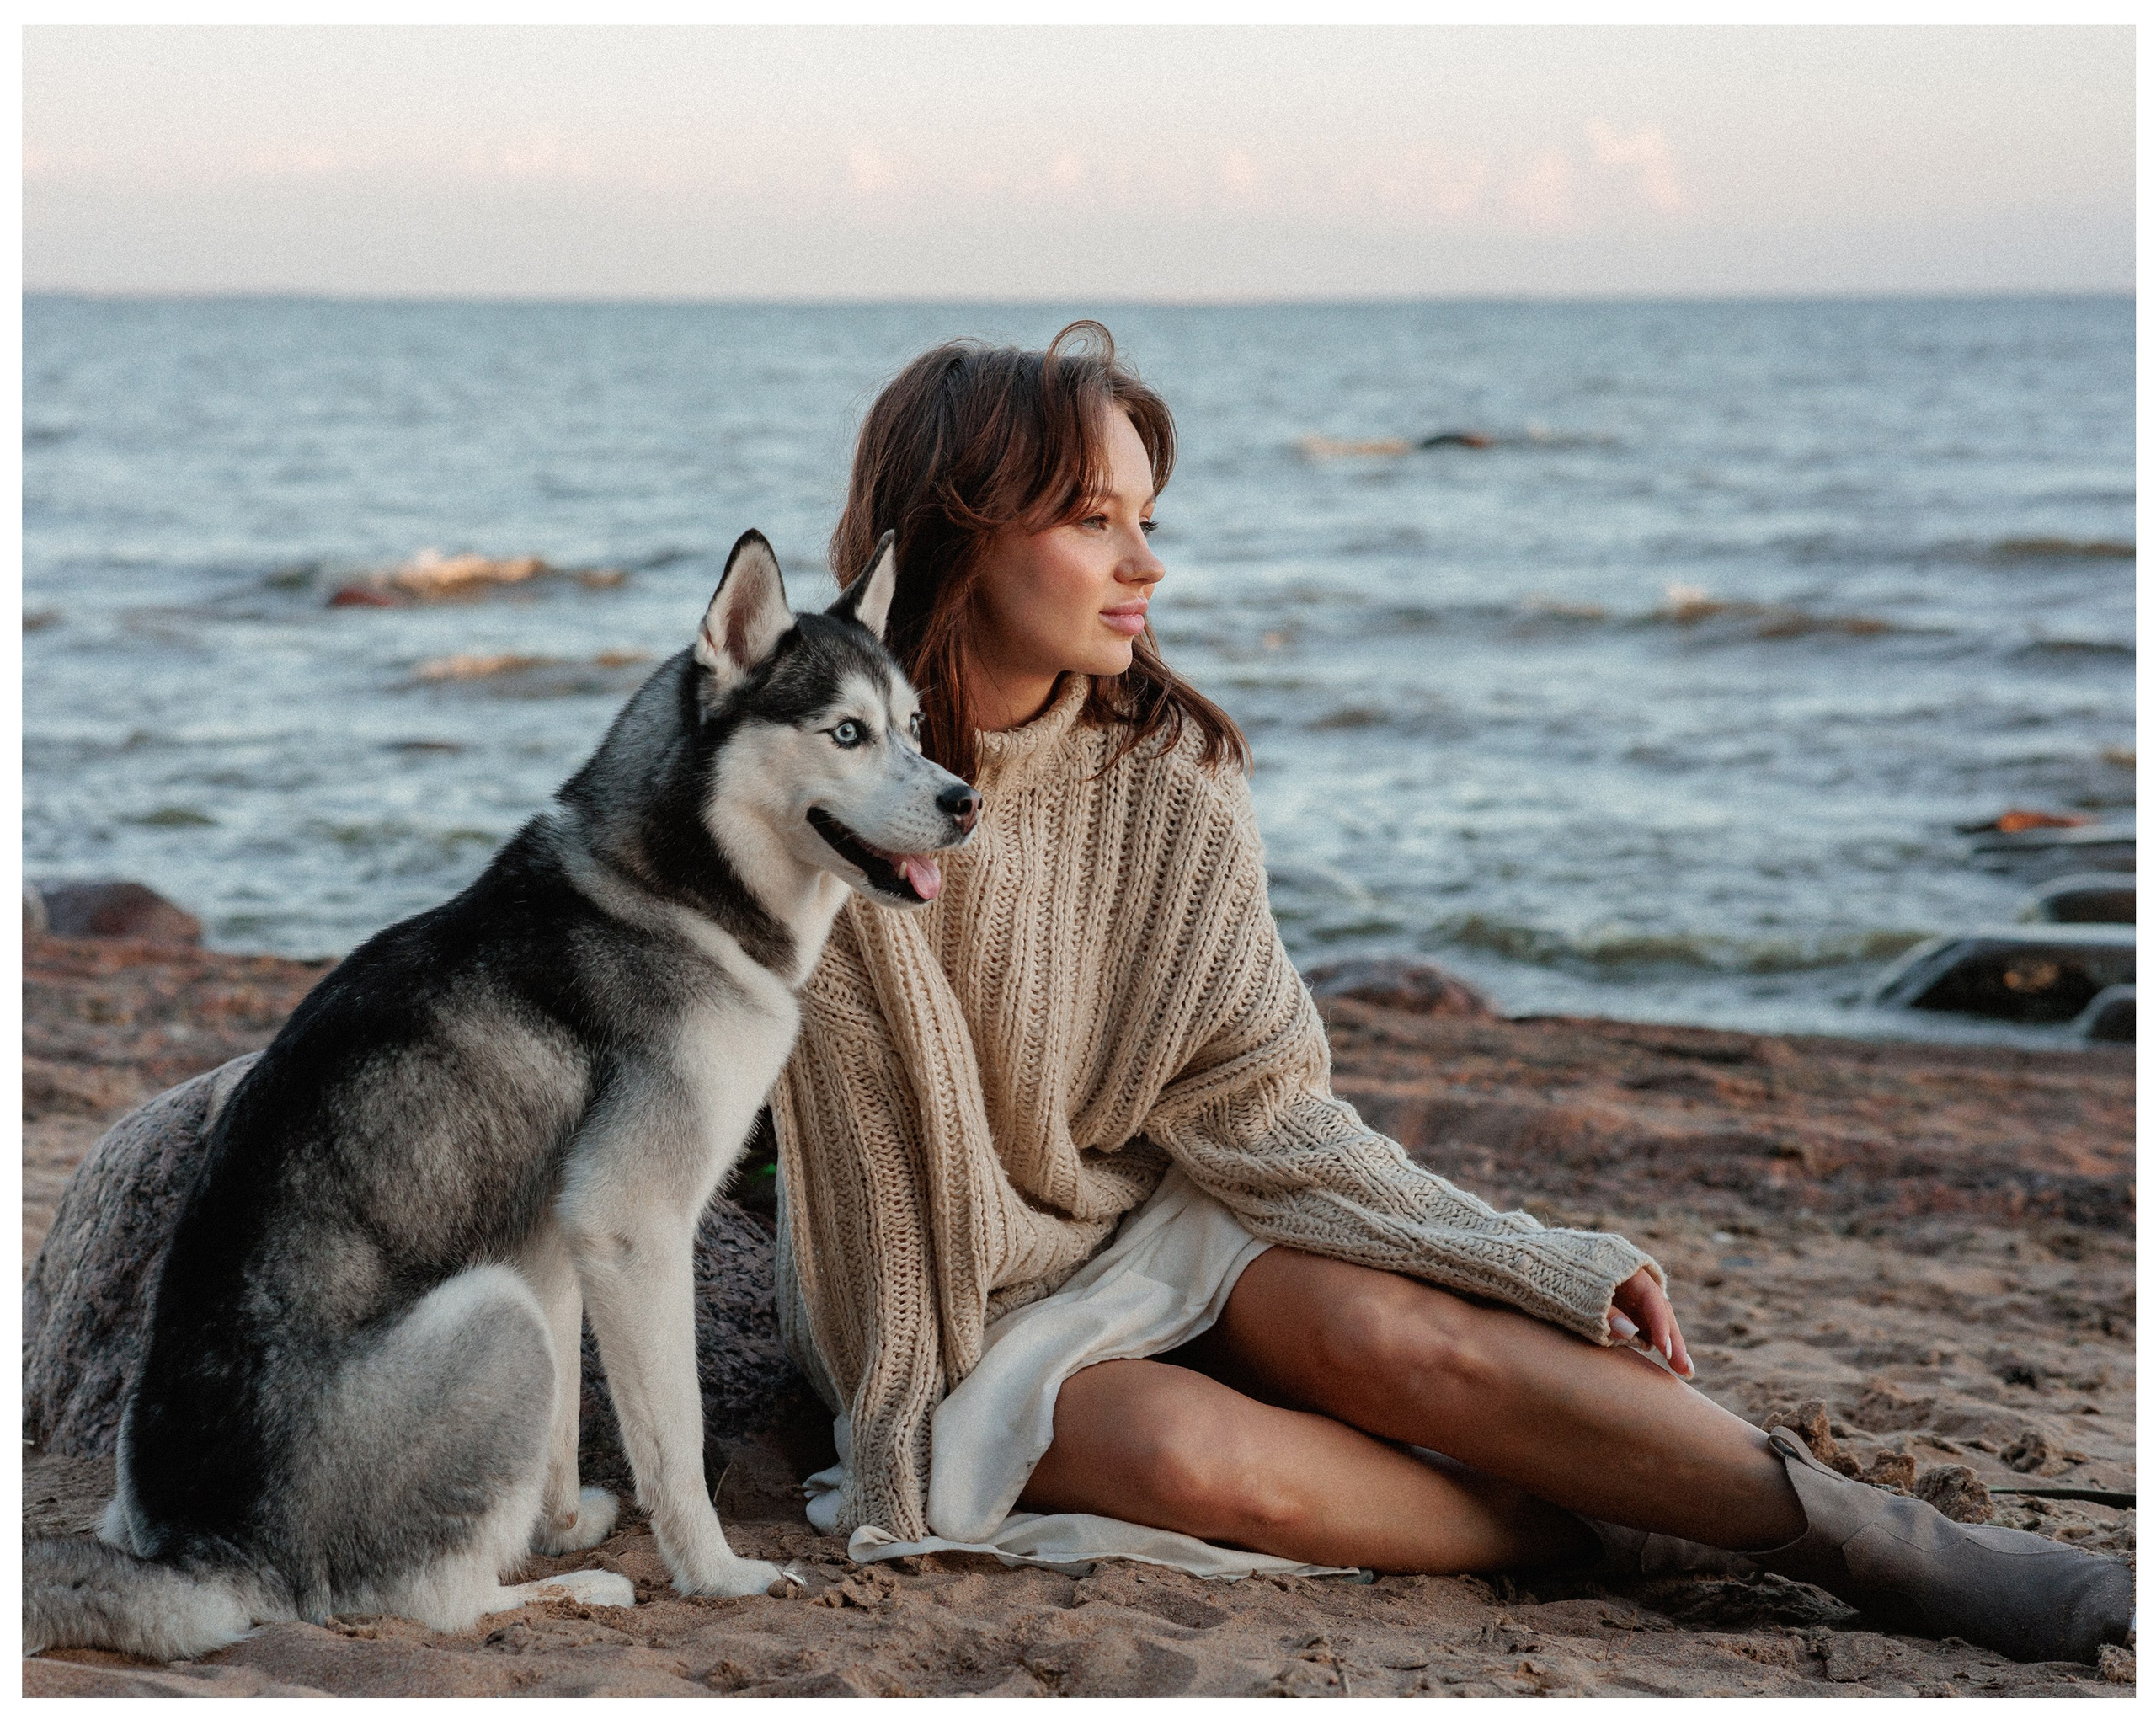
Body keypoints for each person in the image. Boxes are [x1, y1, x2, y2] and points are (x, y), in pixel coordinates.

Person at [769, 322, 2130, 1665]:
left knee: (1396, 1335)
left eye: (1149, 513)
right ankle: (1614, 1531)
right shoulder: (808, 801)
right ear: (959, 530)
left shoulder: (1167, 781)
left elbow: (1261, 1112)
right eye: (1093, 517)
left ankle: (1898, 1548)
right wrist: (896, 1428)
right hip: (946, 1293)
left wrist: (1522, 1255)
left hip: (1156, 1213)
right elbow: (877, 1198)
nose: (1148, 561)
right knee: (1184, 1458)